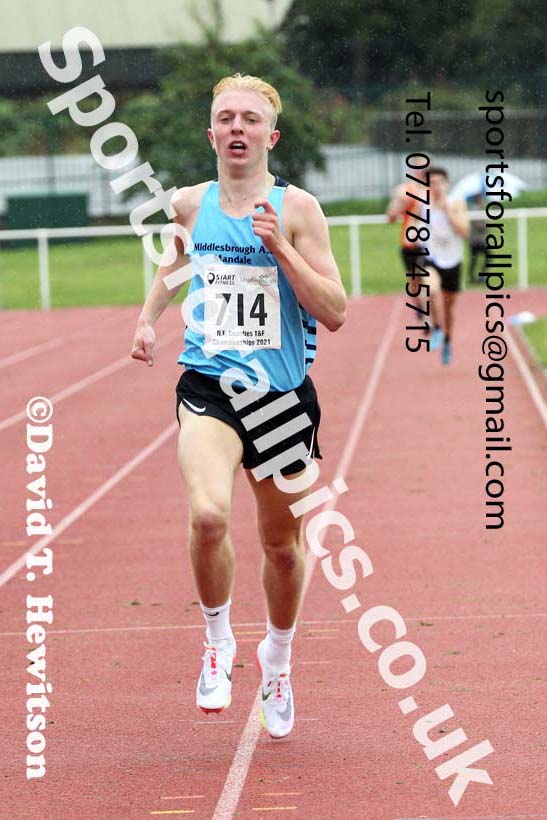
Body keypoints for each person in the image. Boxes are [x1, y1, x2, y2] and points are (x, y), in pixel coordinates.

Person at [130, 73, 346, 739]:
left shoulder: (300, 209)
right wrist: (147, 320)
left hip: (280, 401)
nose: (236, 128)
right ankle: (217, 639)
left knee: (282, 547)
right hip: (209, 390)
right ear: (211, 134)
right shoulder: (189, 204)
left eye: (249, 119)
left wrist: (279, 246)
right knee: (206, 516)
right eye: (225, 117)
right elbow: (175, 266)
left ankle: (276, 661)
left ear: (269, 136)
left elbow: (334, 311)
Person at [386, 166, 440, 332]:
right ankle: (423, 310)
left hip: (429, 245)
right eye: (420, 170)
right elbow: (391, 217)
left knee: (428, 281)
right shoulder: (406, 191)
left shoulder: (435, 192)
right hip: (410, 244)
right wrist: (401, 203)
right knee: (415, 284)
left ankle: (428, 318)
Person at [425, 167, 470, 364]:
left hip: (453, 261)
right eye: (432, 182)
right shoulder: (423, 206)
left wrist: (447, 211)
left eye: (439, 182)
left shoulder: (456, 203)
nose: (436, 186)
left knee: (449, 309)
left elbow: (464, 231)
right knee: (432, 290)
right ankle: (435, 327)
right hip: (432, 260)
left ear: (446, 184)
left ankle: (447, 340)